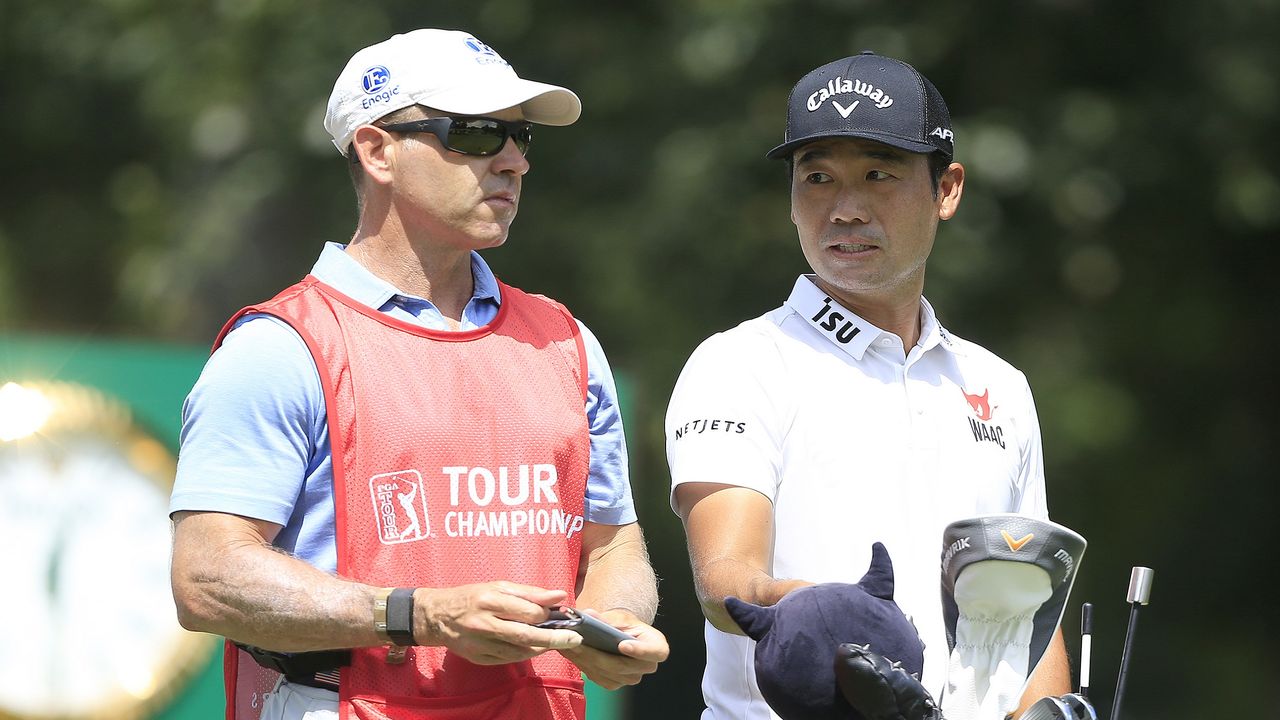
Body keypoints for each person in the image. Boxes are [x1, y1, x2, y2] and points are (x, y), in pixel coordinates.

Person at [169, 28, 668, 720]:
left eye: (521, 136)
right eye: (476, 134)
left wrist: (613, 622)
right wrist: (419, 615)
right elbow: (207, 577)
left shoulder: (567, 340)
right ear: (377, 151)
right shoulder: (280, 347)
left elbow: (614, 544)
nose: (515, 161)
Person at [665, 51, 1070, 719]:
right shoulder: (738, 362)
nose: (845, 209)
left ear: (947, 189)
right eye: (817, 177)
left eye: (878, 174)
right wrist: (846, 629)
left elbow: (1024, 611)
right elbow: (728, 582)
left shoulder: (998, 384)